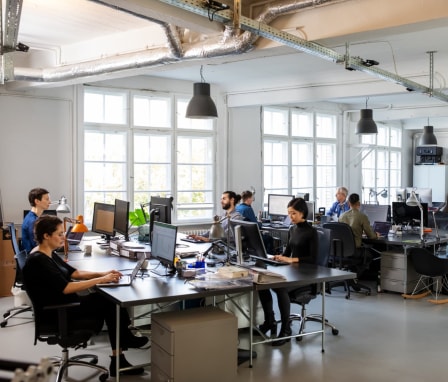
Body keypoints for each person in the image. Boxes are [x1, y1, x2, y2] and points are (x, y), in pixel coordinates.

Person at [22, 215, 149, 377]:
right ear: (46, 236)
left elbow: (75, 273)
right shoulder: (39, 260)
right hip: (58, 313)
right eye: (60, 234)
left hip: (62, 305)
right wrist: (102, 280)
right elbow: (66, 287)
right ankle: (122, 348)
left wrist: (103, 273)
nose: (64, 237)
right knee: (109, 302)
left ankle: (121, 351)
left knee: (107, 300)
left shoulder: (47, 253)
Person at [257, 197, 318, 346]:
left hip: (306, 275)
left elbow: (313, 259)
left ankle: (285, 330)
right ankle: (269, 321)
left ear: (302, 213)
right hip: (292, 272)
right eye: (289, 213)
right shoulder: (292, 229)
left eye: (293, 213)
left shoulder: (312, 232)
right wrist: (280, 257)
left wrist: (292, 260)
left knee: (280, 287)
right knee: (260, 281)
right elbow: (288, 252)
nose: (290, 217)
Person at [22, 188, 52, 253]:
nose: (50, 202)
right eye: (47, 199)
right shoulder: (33, 221)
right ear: (37, 201)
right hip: (35, 258)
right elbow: (37, 244)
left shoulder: (32, 217)